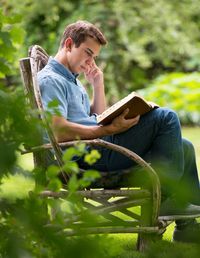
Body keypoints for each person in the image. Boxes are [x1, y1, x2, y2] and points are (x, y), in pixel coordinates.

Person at [38, 20, 200, 243]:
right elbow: (58, 131)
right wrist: (109, 129)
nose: (90, 61)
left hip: (96, 149)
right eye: (88, 53)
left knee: (185, 147)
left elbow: (95, 117)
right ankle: (168, 198)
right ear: (68, 44)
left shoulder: (71, 80)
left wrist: (97, 84)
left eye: (94, 56)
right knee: (167, 117)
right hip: (81, 160)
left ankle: (187, 229)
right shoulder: (51, 80)